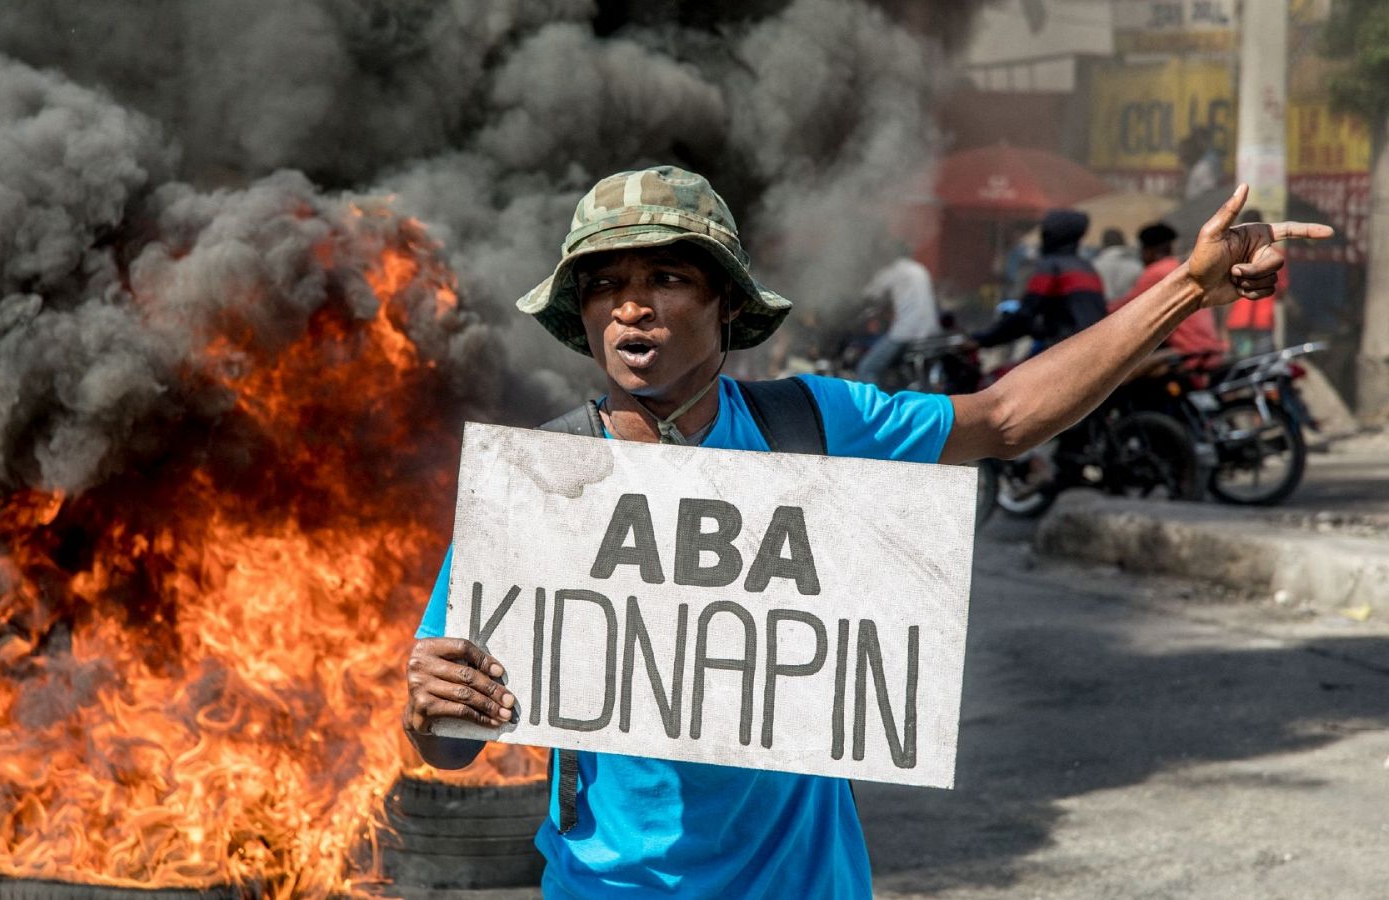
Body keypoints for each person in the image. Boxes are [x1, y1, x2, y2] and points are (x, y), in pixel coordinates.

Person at [401, 165, 1327, 899]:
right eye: (604, 285)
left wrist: (1188, 291)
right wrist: (431, 703)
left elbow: (1003, 419)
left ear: (726, 303)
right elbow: (449, 744)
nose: (631, 305)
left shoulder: (813, 424)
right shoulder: (538, 487)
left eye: (666, 277)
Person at [969, 208, 1106, 356]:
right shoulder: (1087, 268)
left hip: (1065, 353)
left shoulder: (1050, 267)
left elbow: (1027, 312)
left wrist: (982, 340)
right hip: (1092, 350)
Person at [1111, 222, 1226, 373]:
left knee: (1124, 376)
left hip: (1188, 353)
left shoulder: (1155, 273)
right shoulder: (1182, 267)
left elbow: (1126, 308)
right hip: (1211, 349)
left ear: (1149, 251)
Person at [852, 246, 941, 383]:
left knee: (867, 368)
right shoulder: (919, 268)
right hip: (931, 329)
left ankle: (872, 404)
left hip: (906, 331)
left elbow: (869, 295)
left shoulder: (891, 272)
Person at [1224, 208, 1285, 356]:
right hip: (1262, 320)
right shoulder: (1276, 254)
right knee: (1261, 369)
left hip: (1239, 319)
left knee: (1241, 368)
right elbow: (1282, 289)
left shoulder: (1231, 254)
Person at [1093, 227, 1144, 302]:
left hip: (1101, 309)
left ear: (1103, 243)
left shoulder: (1094, 266)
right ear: (1123, 242)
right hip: (1130, 308)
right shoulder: (1136, 266)